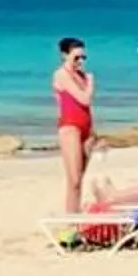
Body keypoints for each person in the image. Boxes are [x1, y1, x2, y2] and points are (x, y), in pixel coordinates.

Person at [53, 37, 95, 214]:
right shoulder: (61, 75)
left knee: (79, 181)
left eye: (83, 57)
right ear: (64, 55)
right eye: (76, 57)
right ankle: (70, 223)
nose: (81, 61)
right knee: (74, 179)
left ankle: (75, 218)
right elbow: (84, 99)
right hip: (70, 127)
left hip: (86, 127)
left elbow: (86, 107)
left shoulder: (82, 76)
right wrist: (92, 84)